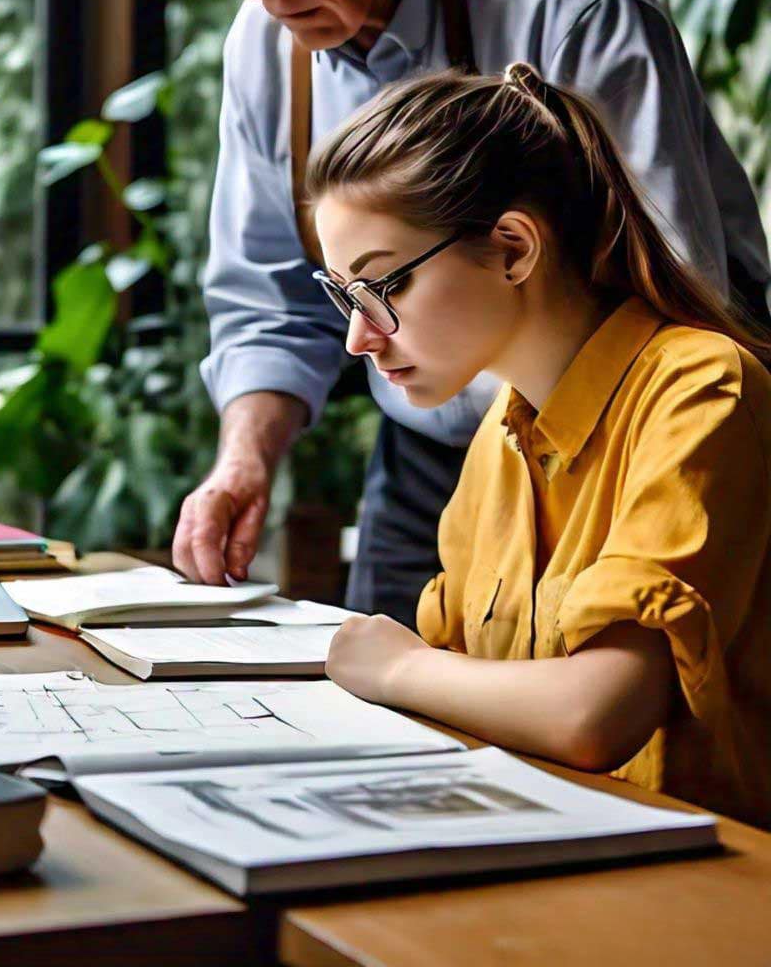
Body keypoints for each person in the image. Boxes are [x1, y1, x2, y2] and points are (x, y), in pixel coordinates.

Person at [168, 0, 771, 625]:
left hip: (629, 434)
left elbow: (668, 264)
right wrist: (243, 464)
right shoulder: (264, 48)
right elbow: (267, 300)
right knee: (388, 708)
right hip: (440, 442)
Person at [306, 60, 771, 828]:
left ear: (515, 249)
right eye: (342, 295)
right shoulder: (501, 431)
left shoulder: (701, 388)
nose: (358, 337)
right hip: (540, 841)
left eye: (382, 288)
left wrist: (401, 667)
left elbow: (595, 714)